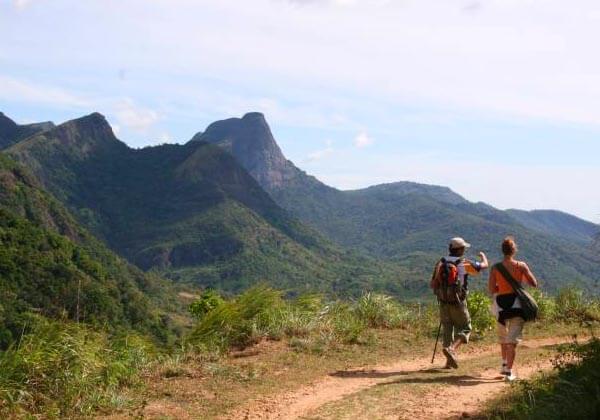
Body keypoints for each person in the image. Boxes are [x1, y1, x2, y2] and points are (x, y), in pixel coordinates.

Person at [430, 237, 488, 369]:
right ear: (460, 249)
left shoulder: (440, 262)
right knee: (466, 327)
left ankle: (448, 363)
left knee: (447, 329)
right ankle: (452, 349)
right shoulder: (464, 263)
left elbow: (433, 284)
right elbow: (484, 266)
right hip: (458, 301)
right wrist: (483, 256)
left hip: (443, 302)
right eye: (464, 248)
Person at [488, 236, 538, 382]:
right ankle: (509, 373)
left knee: (503, 338)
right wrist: (518, 283)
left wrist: (502, 286)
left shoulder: (496, 268)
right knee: (512, 341)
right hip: (516, 304)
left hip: (500, 306)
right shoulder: (521, 265)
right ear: (514, 250)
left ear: (502, 251)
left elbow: (491, 289)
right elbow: (533, 283)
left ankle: (504, 365)